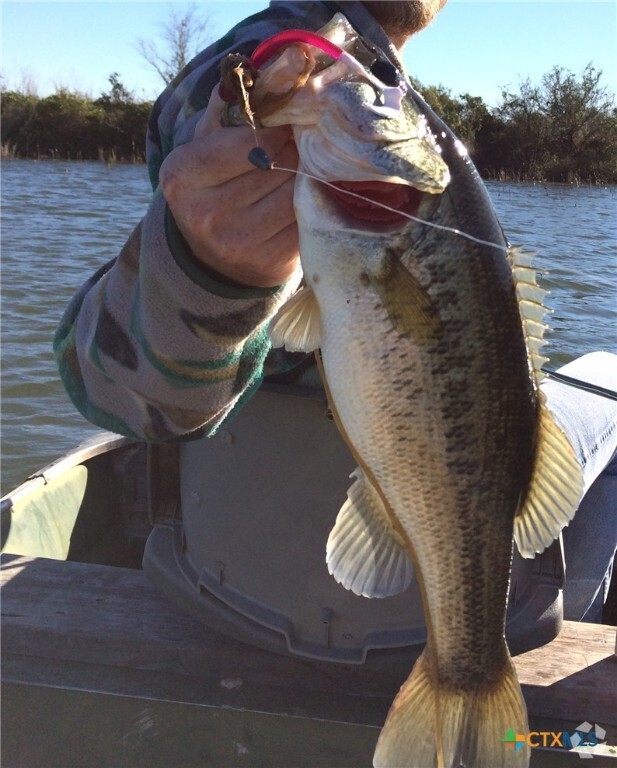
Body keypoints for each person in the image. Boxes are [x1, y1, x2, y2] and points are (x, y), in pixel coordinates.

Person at [54, 0, 615, 621]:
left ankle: (488, 636)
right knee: (609, 380)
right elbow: (118, 390)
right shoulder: (262, 82)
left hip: (237, 574)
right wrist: (212, 272)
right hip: (307, 575)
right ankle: (540, 627)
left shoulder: (368, 86)